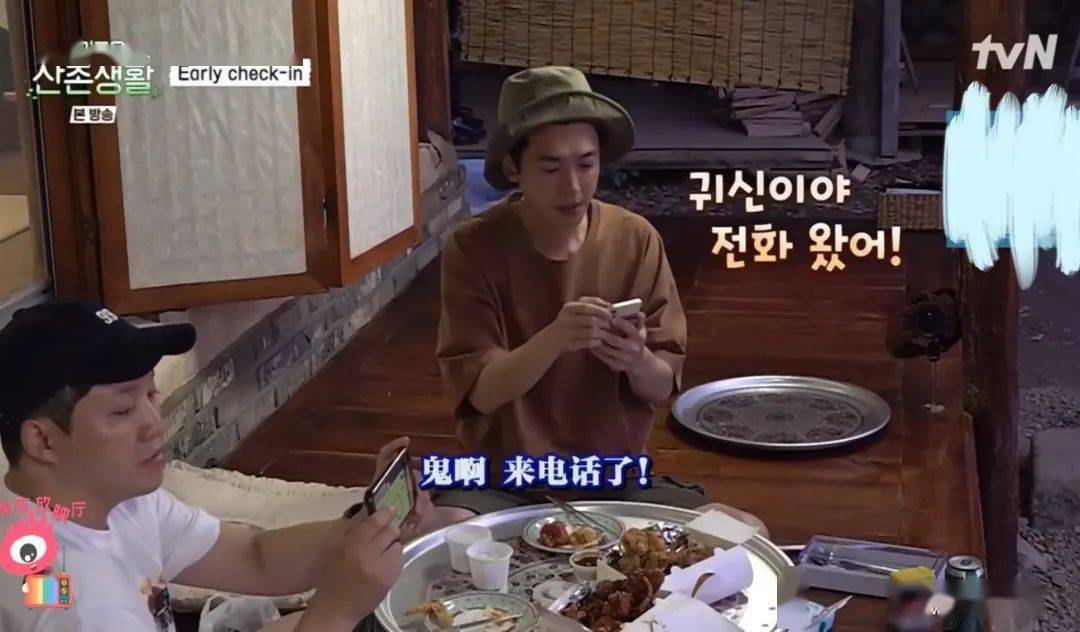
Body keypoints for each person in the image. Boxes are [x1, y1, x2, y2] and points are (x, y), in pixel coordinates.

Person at [434, 66, 767, 534]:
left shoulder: (634, 239)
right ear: (513, 168)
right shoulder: (474, 247)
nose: (572, 187)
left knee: (746, 533)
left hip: (613, 479)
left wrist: (635, 359)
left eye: (586, 164)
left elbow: (660, 388)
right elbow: (482, 393)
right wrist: (555, 338)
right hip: (505, 478)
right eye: (551, 168)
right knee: (439, 532)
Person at [0, 301, 441, 632]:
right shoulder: (78, 606)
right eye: (122, 411)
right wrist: (336, 611)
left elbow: (254, 556)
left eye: (151, 395)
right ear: (42, 440)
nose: (154, 425)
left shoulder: (111, 500)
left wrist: (365, 527)